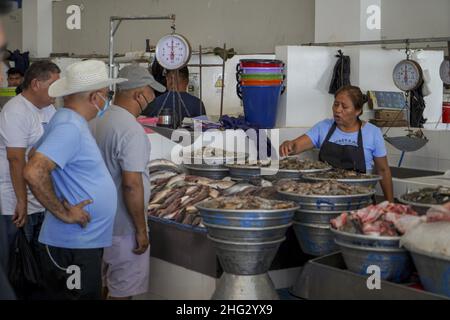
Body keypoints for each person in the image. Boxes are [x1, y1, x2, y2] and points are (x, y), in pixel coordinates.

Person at [23, 60, 125, 300]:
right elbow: (33, 170)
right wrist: (63, 211)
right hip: (72, 246)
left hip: (78, 244)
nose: (107, 100)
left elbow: (32, 154)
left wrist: (64, 188)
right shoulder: (69, 126)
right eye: (107, 95)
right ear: (95, 97)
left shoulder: (65, 120)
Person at [92, 65, 165, 299]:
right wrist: (140, 230)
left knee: (103, 286)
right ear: (138, 94)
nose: (153, 98)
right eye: (151, 92)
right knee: (122, 292)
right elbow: (131, 183)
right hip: (123, 227)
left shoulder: (98, 119)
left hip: (98, 222)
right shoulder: (131, 129)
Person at [280, 85, 394, 202]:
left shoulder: (372, 132)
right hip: (326, 198)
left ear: (358, 111)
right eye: (335, 104)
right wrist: (288, 144)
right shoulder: (323, 127)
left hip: (360, 199)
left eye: (344, 106)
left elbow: (383, 170)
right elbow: (296, 146)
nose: (338, 110)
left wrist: (390, 204)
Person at [0, 61, 60, 269]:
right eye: (53, 85)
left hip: (39, 199)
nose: (57, 91)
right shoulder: (16, 111)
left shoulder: (49, 109)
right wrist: (21, 201)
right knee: (14, 262)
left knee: (36, 264)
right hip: (13, 202)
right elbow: (15, 159)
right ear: (36, 84)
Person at [142, 66, 206, 124]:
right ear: (187, 81)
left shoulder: (155, 102)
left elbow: (147, 125)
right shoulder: (197, 104)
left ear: (168, 80)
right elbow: (202, 129)